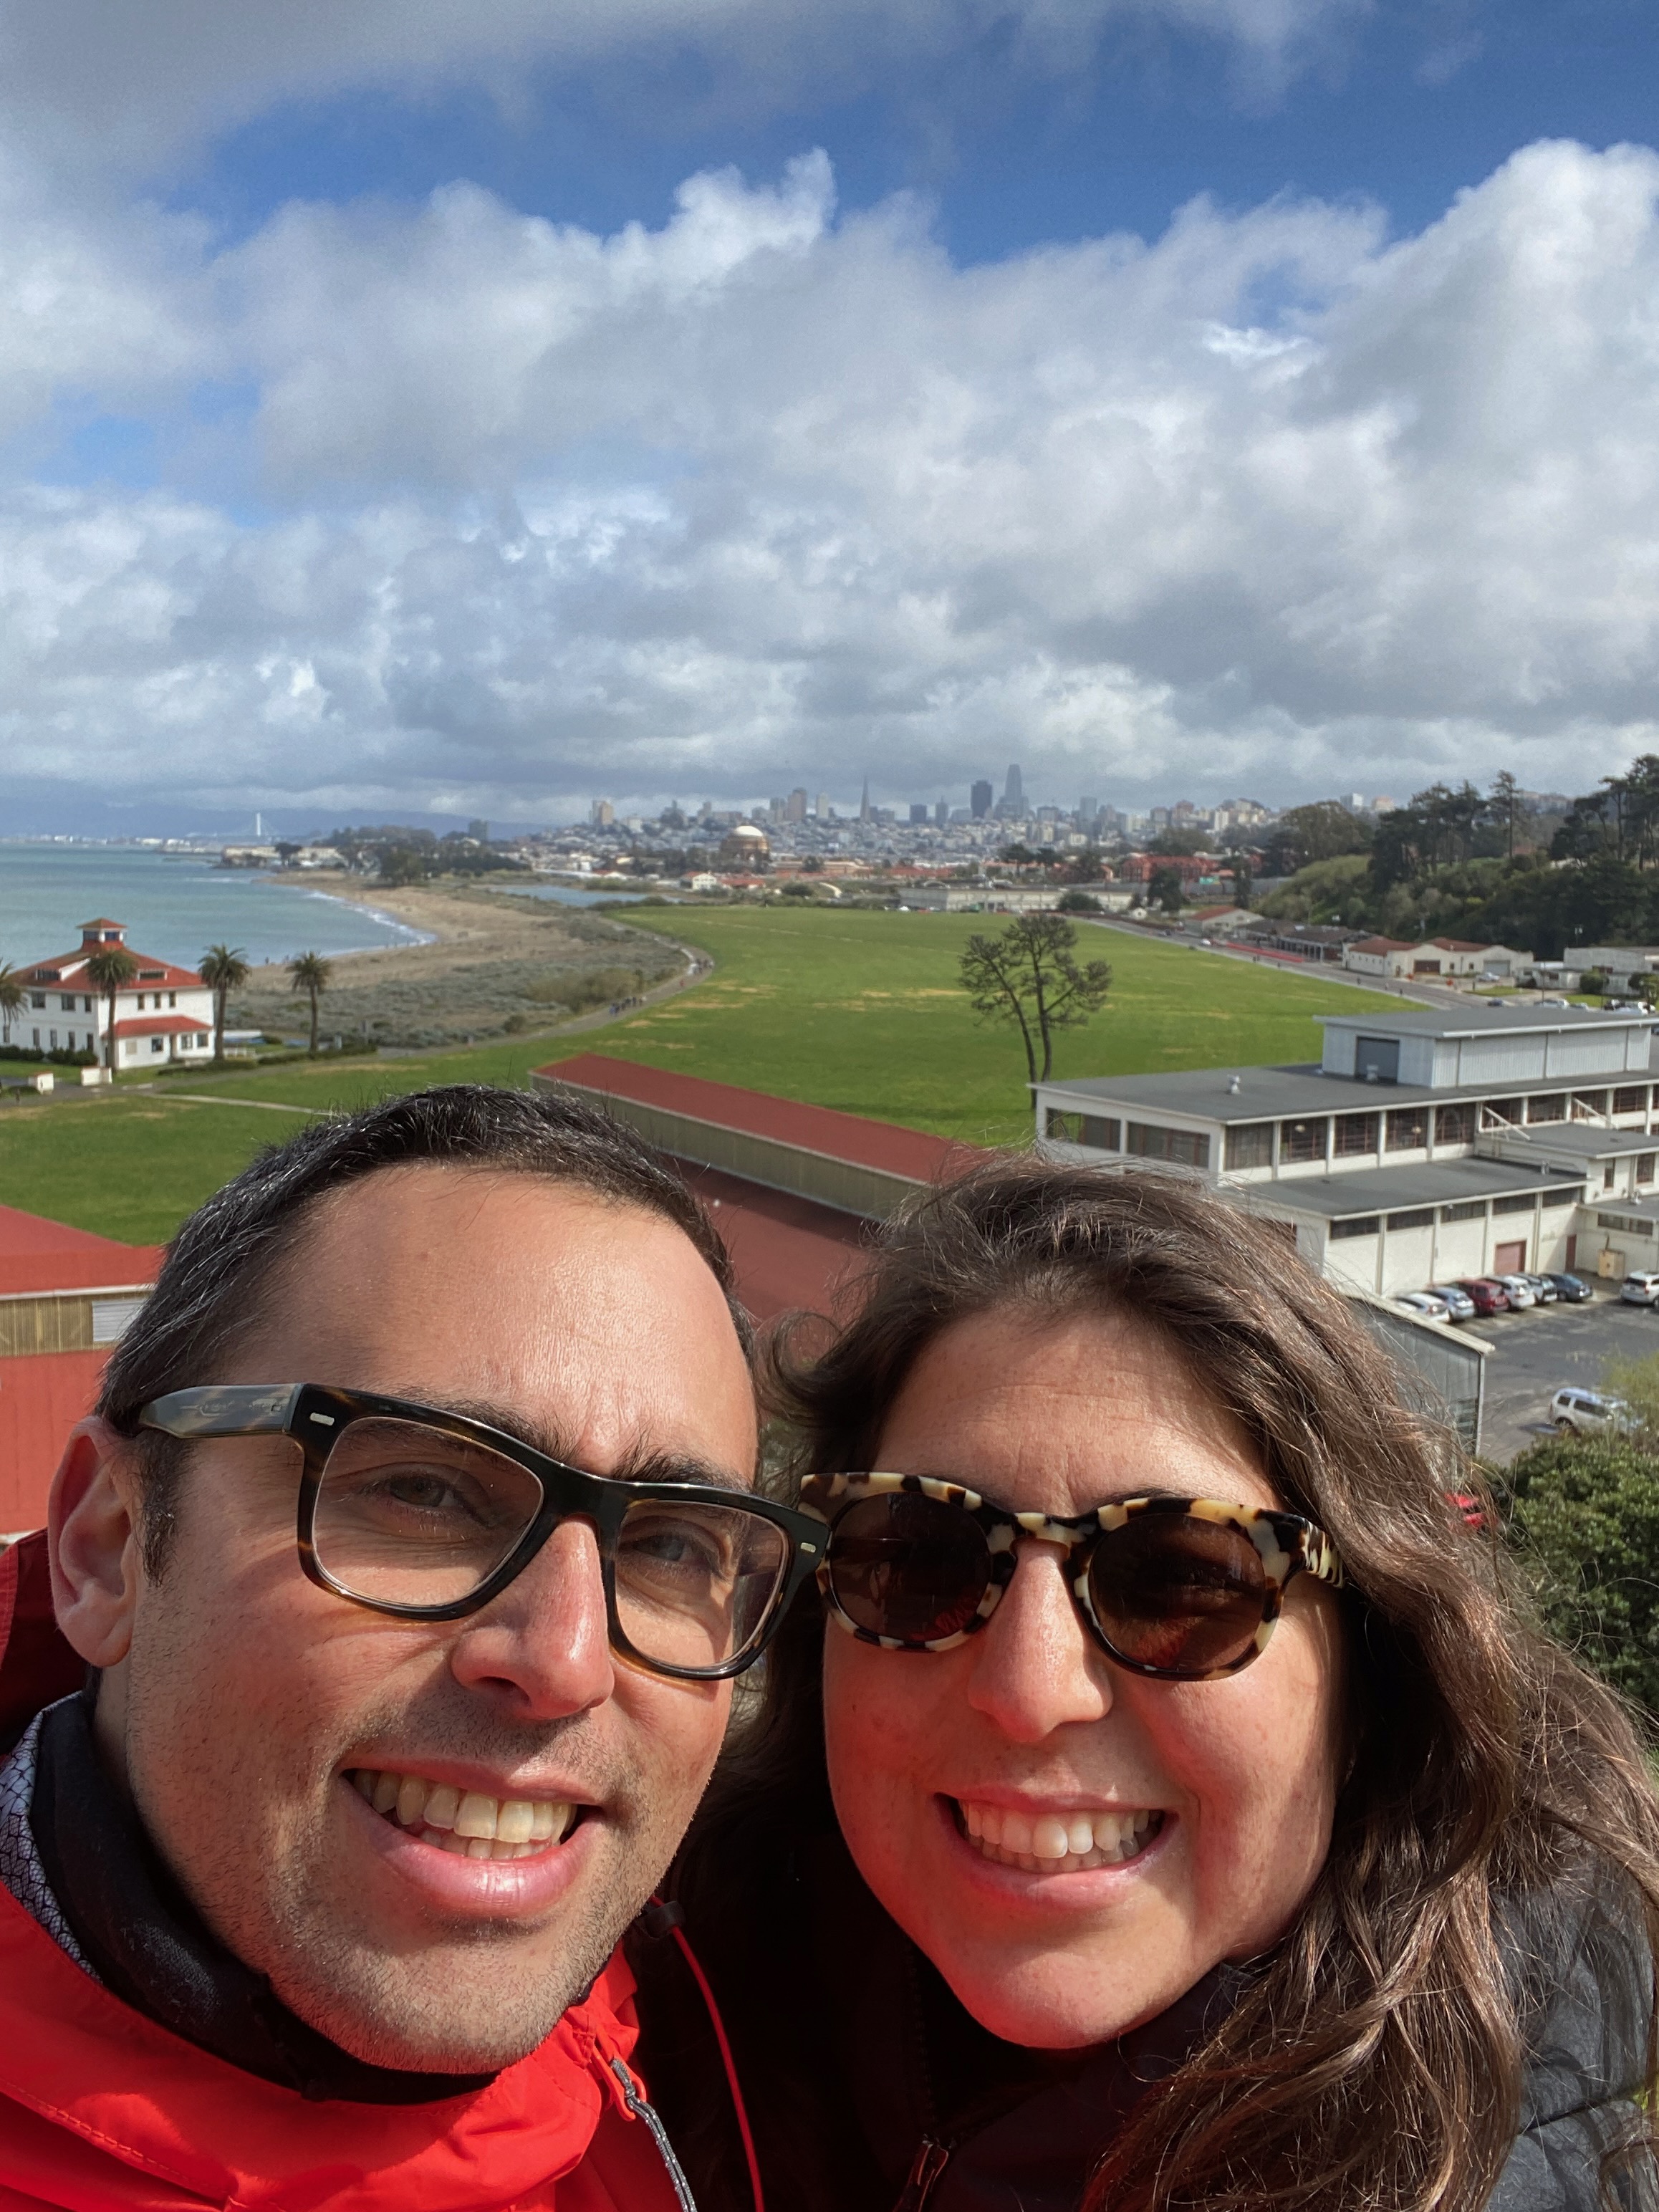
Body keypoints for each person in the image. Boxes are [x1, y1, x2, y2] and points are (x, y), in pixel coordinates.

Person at [635, 1161, 1659, 2212]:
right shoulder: (654, 2009)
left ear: (1372, 1671)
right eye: (922, 1558)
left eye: (1179, 1577)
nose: (1031, 1692)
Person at [0, 1085, 822, 2209]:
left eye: (672, 1544)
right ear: (108, 1548)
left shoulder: (712, 2022)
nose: (566, 1663)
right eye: (424, 1490)